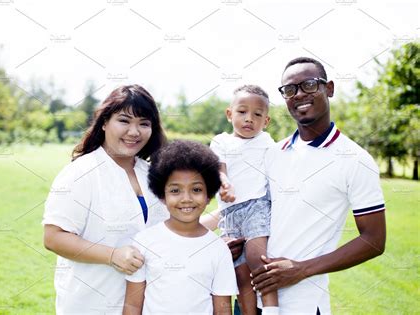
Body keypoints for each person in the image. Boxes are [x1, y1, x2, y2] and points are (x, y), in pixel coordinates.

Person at [250, 57, 386, 314]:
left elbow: (374, 240)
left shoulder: (355, 159)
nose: (299, 94)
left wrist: (301, 269)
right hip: (251, 296)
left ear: (329, 88)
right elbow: (254, 212)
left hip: (303, 303)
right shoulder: (273, 152)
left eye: (310, 85)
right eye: (290, 89)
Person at [42, 85, 169, 314]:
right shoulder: (81, 173)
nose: (134, 131)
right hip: (91, 304)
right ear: (103, 122)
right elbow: (53, 237)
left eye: (144, 123)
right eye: (124, 121)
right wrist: (112, 255)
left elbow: (171, 229)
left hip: (148, 305)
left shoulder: (152, 173)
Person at [123, 140, 239, 315]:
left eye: (196, 190)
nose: (186, 198)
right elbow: (132, 306)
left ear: (209, 196)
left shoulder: (218, 249)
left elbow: (223, 309)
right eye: (175, 191)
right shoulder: (144, 242)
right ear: (162, 196)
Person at [209, 85, 278, 315]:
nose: (249, 119)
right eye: (242, 112)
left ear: (266, 121)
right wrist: (225, 183)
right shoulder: (221, 142)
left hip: (256, 206)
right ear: (230, 114)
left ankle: (271, 310)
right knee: (239, 273)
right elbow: (220, 169)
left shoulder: (267, 142)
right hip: (229, 214)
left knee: (258, 260)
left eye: (257, 115)